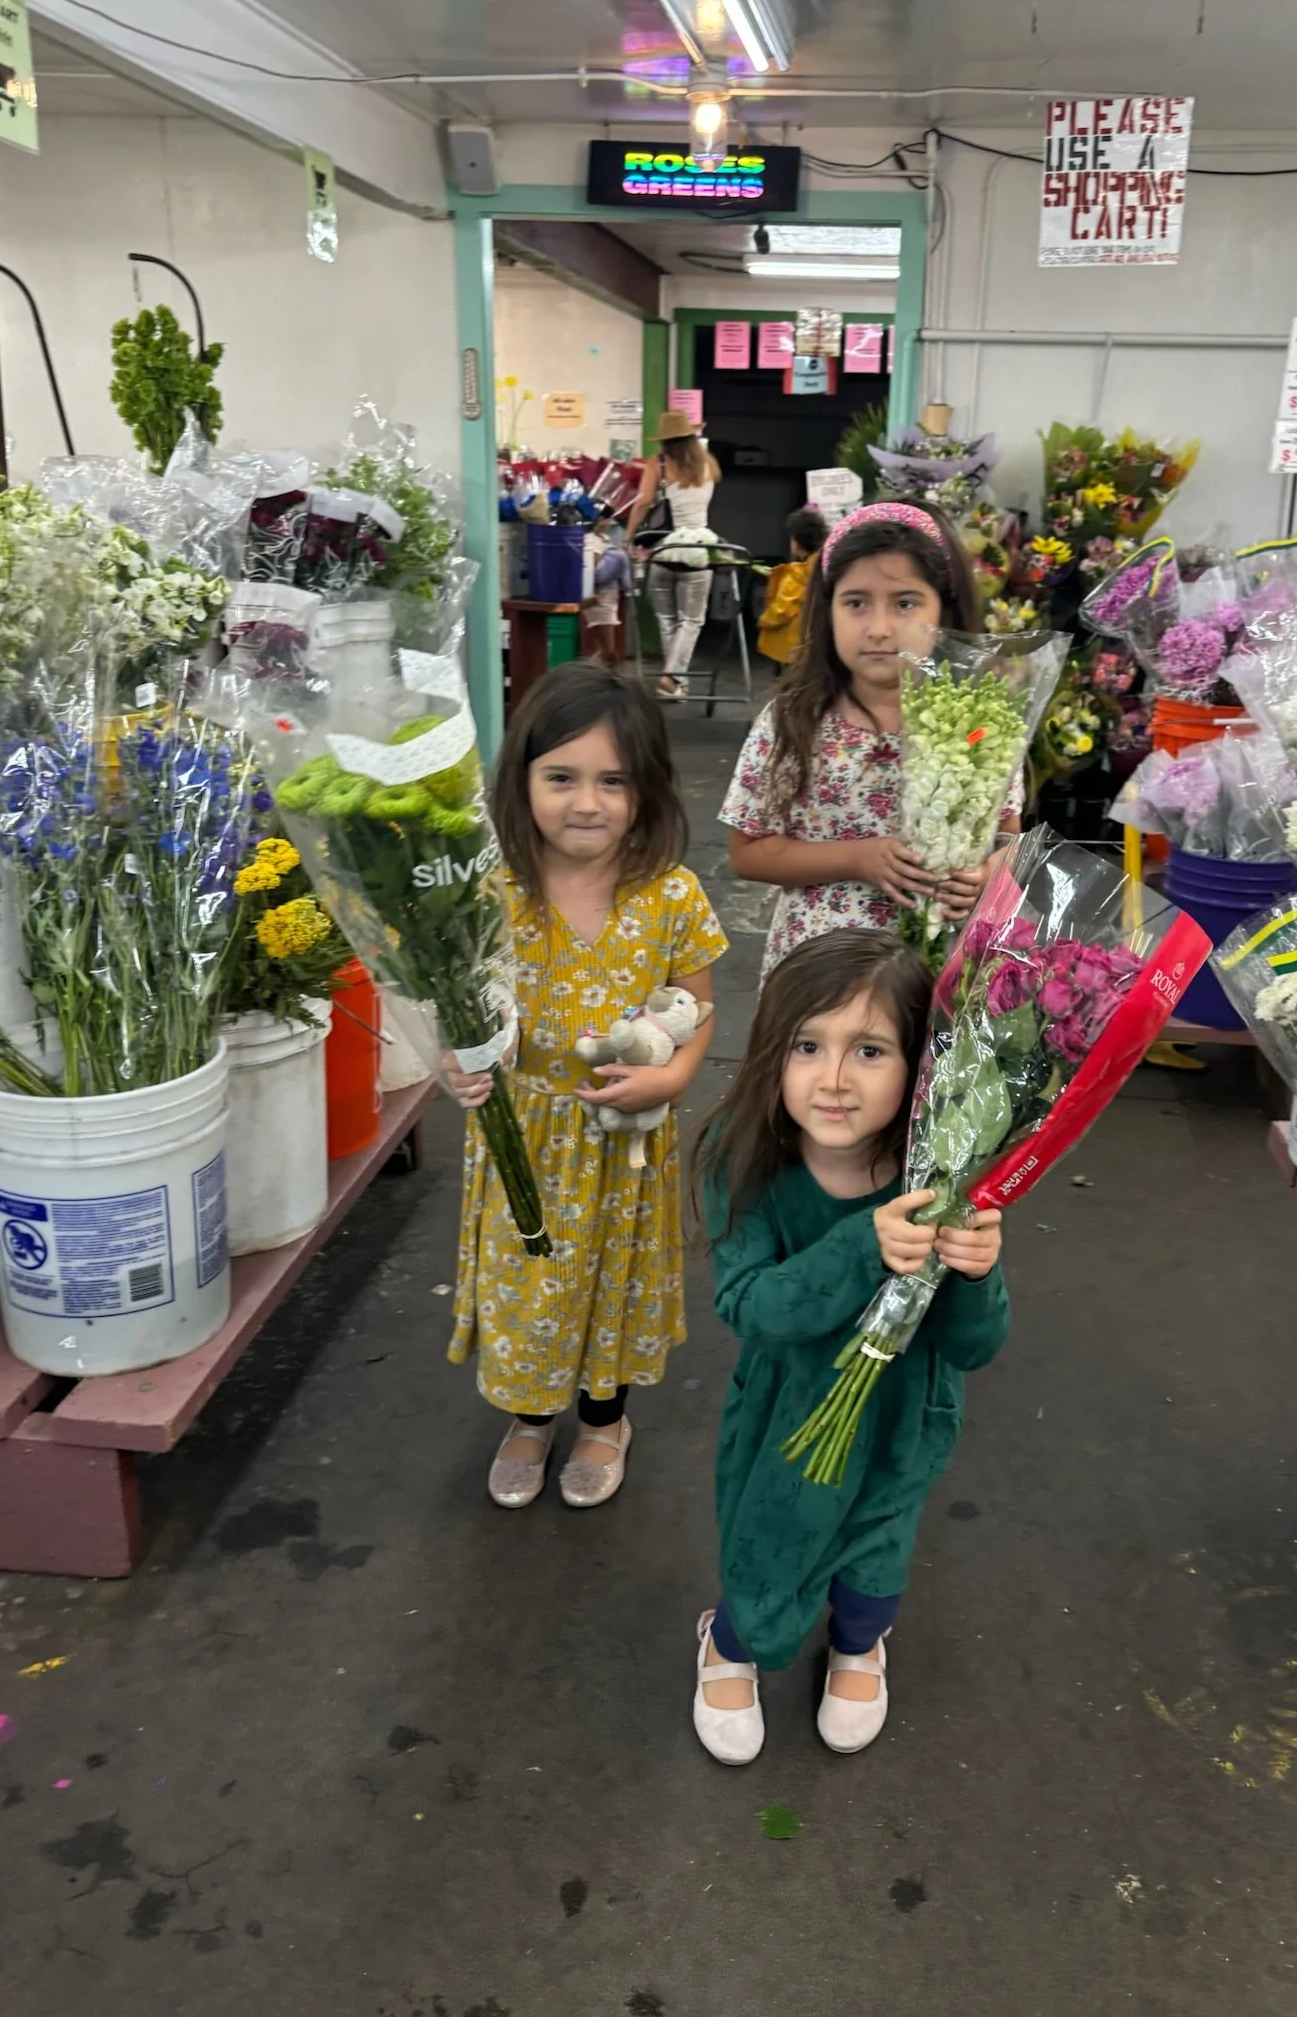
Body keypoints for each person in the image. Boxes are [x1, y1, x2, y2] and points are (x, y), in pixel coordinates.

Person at [690, 929, 1007, 1763]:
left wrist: (976, 1274)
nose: (832, 1079)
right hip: (785, 1417)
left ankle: (860, 1642)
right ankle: (731, 1641)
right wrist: (862, 1246)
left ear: (921, 1070)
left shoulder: (943, 1175)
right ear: (770, 1055)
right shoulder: (747, 1166)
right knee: (770, 1544)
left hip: (904, 1419)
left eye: (868, 1049)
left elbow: (974, 1349)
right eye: (806, 1045)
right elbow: (752, 1307)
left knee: (877, 1551)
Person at [447, 663, 728, 1510]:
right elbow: (451, 1004)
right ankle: (531, 1418)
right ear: (520, 779)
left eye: (614, 781)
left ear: (646, 791)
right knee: (527, 1283)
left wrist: (670, 1077)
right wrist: (453, 1067)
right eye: (561, 777)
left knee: (618, 1281)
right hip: (521, 1138)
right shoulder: (490, 891)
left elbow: (700, 1011)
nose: (587, 802)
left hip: (625, 1145)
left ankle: (605, 1420)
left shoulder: (671, 894)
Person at [720, 499, 996, 979]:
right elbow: (747, 851)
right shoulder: (792, 719)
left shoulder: (973, 722)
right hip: (819, 970)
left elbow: (1007, 834)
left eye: (906, 603)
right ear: (826, 610)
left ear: (944, 609)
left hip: (935, 969)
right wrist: (858, 857)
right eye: (855, 603)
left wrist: (986, 875)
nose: (880, 629)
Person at [628, 410, 723, 703]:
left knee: (666, 616)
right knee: (691, 619)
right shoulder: (708, 463)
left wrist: (630, 536)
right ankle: (673, 679)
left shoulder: (658, 465)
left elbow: (643, 502)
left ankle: (674, 681)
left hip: (665, 549)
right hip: (699, 548)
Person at [757, 506, 829, 668]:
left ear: (796, 543)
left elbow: (782, 609)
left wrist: (764, 620)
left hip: (796, 645)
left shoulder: (797, 575)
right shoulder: (829, 565)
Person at [582, 513, 631, 667]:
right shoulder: (591, 540)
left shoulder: (603, 539)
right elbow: (596, 572)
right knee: (607, 651)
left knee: (604, 650)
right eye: (607, 518)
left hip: (608, 598)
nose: (610, 521)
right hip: (601, 600)